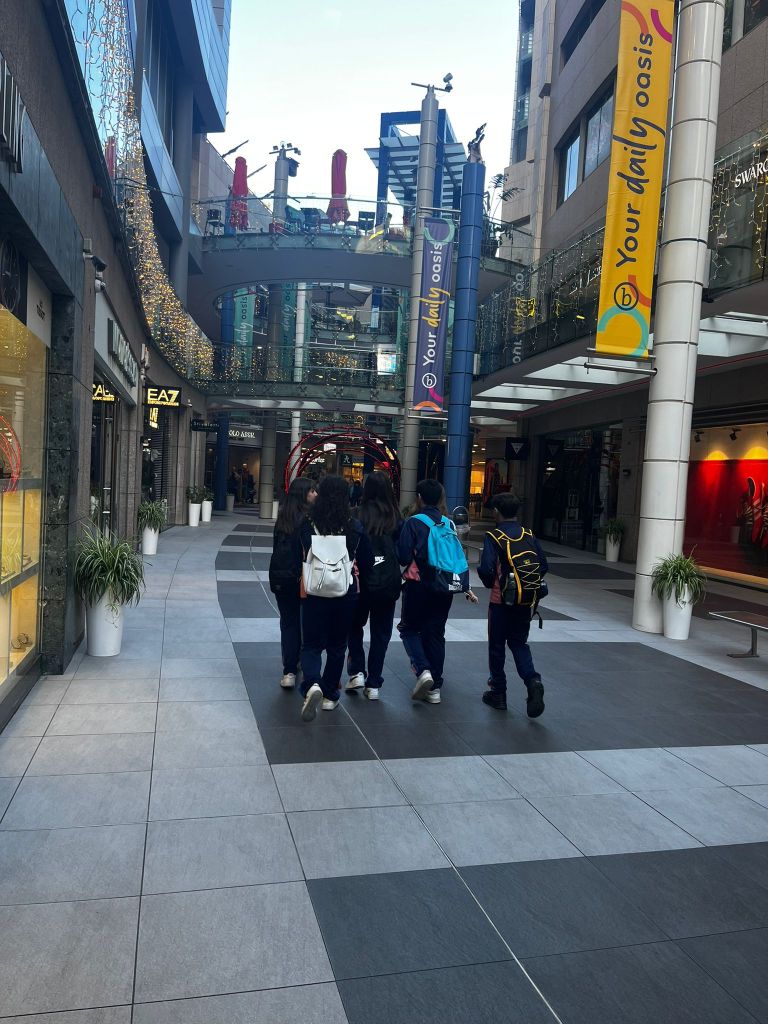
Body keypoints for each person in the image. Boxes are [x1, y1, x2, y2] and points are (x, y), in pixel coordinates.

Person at [297, 475, 374, 722]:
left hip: (314, 591)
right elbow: (368, 560)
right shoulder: (354, 525)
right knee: (337, 645)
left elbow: (298, 554)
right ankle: (330, 695)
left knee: (311, 644)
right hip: (344, 592)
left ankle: (312, 683)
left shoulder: (307, 523)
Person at [397, 479, 477, 704]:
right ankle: (435, 688)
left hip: (418, 585)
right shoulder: (448, 523)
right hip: (444, 586)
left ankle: (423, 670)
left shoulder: (413, 522)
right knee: (435, 633)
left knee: (409, 629)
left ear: (419, 498)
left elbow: (403, 556)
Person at [477, 493, 547, 716]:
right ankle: (533, 680)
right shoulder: (528, 534)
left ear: (496, 511)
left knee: (496, 647)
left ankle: (498, 693)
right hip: (525, 601)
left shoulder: (494, 536)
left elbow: (486, 569)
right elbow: (543, 565)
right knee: (519, 643)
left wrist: (493, 583)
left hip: (500, 602)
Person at [346, 471, 402, 701]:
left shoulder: (355, 515)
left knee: (353, 626)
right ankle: (374, 683)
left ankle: (357, 671)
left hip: (360, 582)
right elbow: (404, 554)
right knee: (381, 633)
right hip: (387, 583)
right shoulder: (396, 518)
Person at [269, 478, 317, 690]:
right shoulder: (306, 520)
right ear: (303, 494)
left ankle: (289, 671)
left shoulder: (283, 518)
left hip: (280, 577)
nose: (315, 494)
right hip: (301, 580)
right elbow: (311, 550)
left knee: (288, 623)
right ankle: (305, 668)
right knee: (304, 624)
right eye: (312, 491)